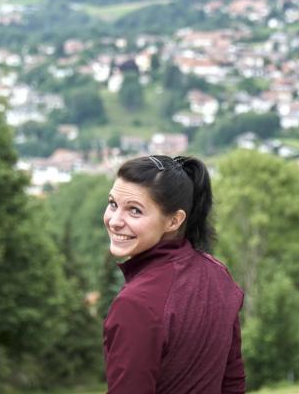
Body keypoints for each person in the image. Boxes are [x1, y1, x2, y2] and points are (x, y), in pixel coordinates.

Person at [102, 154, 246, 393]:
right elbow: (233, 383)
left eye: (135, 210)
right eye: (113, 204)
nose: (115, 221)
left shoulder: (135, 304)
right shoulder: (218, 274)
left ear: (174, 221)